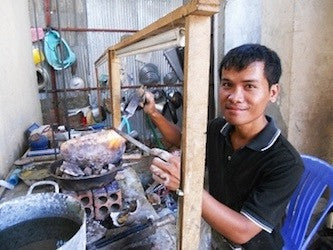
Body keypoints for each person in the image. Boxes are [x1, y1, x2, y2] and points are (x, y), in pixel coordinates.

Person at [143, 44, 304, 249]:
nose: (235, 97)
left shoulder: (286, 163)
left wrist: (187, 185)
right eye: (227, 84)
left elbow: (243, 231)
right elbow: (183, 141)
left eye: (249, 86)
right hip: (215, 238)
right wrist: (154, 113)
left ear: (272, 92)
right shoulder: (219, 128)